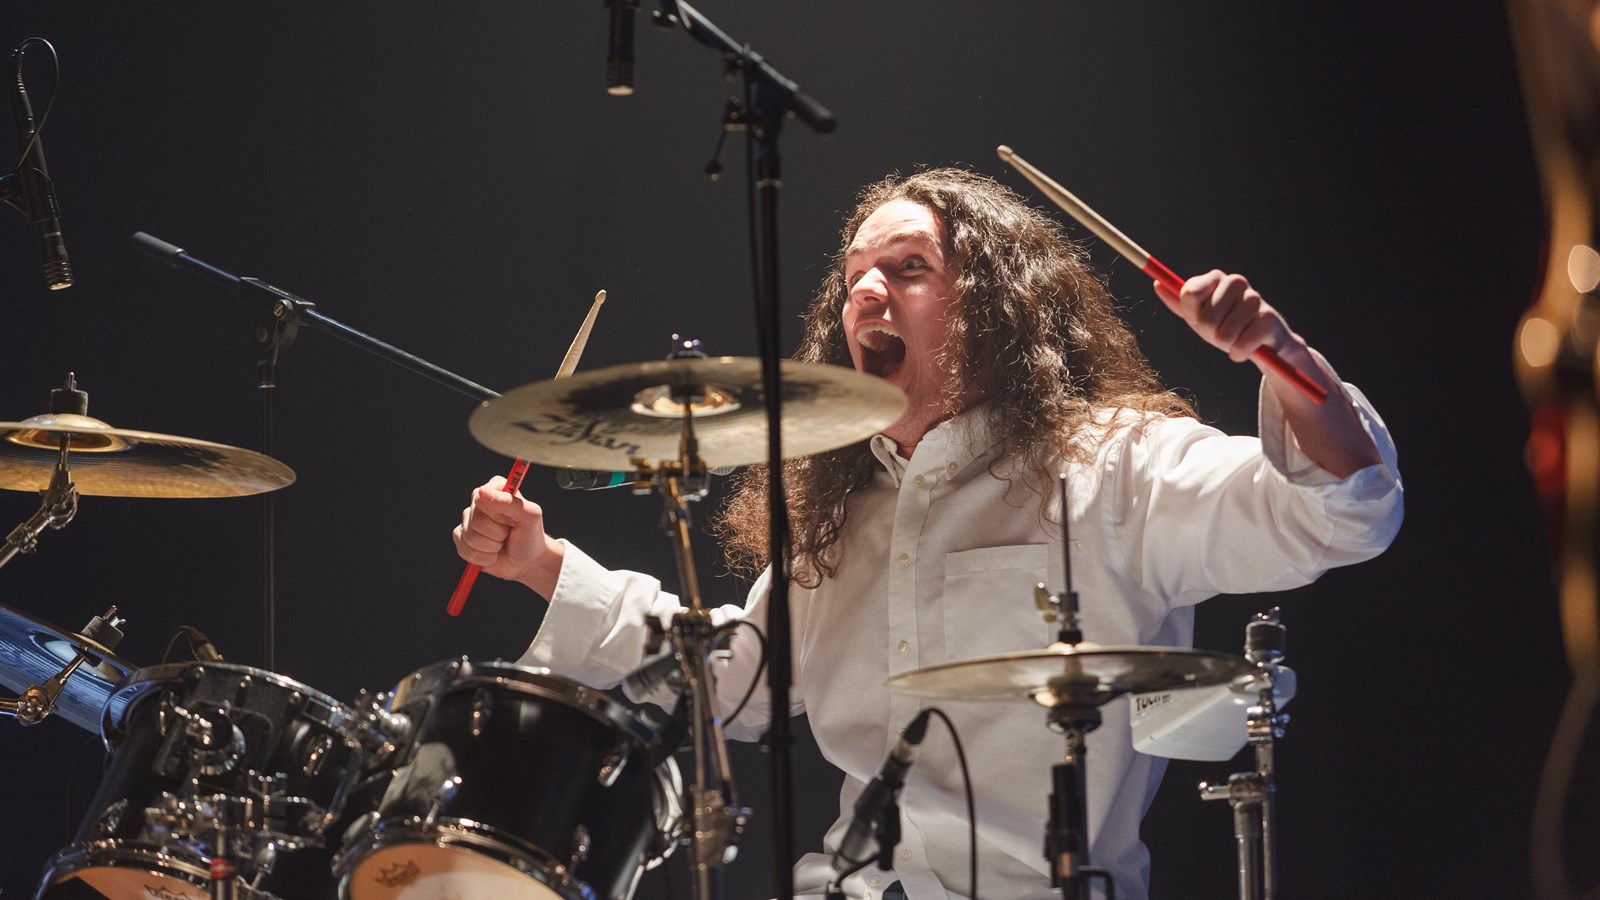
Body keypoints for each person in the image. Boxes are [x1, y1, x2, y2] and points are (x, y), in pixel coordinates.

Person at [452, 168, 1403, 900]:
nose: (869, 293)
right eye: (854, 279)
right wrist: (543, 564)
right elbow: (738, 681)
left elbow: (1344, 509)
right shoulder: (843, 509)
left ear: (999, 306)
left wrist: (1278, 355)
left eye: (909, 268)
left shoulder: (1116, 464)